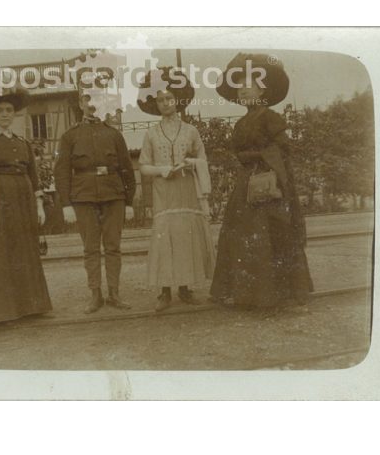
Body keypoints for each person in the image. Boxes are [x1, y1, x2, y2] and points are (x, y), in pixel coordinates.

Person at [210, 53, 313, 310]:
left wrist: (256, 158)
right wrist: (245, 159)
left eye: (248, 85)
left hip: (270, 183)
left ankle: (279, 295)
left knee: (272, 235)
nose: (243, 90)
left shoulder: (271, 117)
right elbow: (236, 153)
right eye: (239, 87)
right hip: (246, 187)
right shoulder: (241, 123)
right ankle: (249, 295)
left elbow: (282, 149)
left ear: (261, 89)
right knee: (243, 236)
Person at [0, 82, 52, 324]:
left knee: (26, 251)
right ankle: (2, 312)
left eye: (8, 110)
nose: (5, 114)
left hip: (25, 202)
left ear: (14, 113)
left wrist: (38, 206)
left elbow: (34, 177)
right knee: (1, 253)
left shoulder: (23, 143)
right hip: (0, 202)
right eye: (0, 111)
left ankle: (31, 307)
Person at [137, 67, 216, 312]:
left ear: (177, 101)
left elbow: (202, 160)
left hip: (186, 188)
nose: (165, 104)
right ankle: (164, 291)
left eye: (169, 99)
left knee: (185, 236)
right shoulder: (151, 133)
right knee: (164, 236)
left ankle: (184, 288)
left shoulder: (191, 131)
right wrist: (162, 170)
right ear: (155, 104)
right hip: (164, 190)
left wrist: (189, 163)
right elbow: (143, 167)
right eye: (160, 100)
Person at [54, 93, 136, 314]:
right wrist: (66, 204)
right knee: (90, 248)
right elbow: (61, 172)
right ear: (80, 104)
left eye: (96, 101)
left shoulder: (114, 135)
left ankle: (114, 293)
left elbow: (127, 169)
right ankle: (95, 294)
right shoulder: (70, 136)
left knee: (113, 247)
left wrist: (129, 202)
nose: (92, 105)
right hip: (83, 197)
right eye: (88, 100)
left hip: (113, 195)